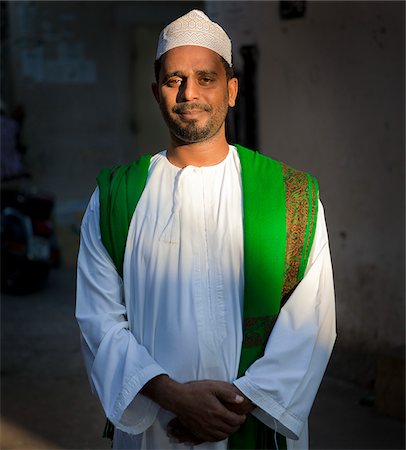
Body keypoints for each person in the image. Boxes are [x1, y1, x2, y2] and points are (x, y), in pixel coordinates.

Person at [76, 9, 336, 450]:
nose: (188, 93)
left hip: (254, 422)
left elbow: (312, 322)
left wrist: (233, 406)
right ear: (156, 92)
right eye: (174, 80)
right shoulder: (115, 198)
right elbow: (98, 321)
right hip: (158, 426)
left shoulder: (291, 195)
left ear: (231, 90)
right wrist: (173, 396)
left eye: (205, 78)